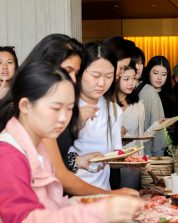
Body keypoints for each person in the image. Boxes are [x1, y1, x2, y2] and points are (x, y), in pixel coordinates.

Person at [0, 62, 141, 223]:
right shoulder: (7, 153)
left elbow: (48, 204)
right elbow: (23, 219)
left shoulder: (39, 144)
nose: (63, 118)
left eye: (69, 109)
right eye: (55, 108)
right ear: (25, 106)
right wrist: (99, 211)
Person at [20, 34, 137, 196]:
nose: (72, 80)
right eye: (68, 71)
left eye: (110, 76)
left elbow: (56, 163)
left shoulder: (112, 108)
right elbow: (56, 170)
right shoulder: (45, 108)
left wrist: (129, 161)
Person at [67, 41, 123, 190]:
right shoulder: (65, 106)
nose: (102, 83)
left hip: (102, 193)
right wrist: (77, 123)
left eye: (109, 76)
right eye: (95, 75)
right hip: (71, 194)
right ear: (79, 72)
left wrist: (134, 162)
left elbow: (115, 155)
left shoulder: (114, 110)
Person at [130, 46, 166, 156]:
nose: (138, 67)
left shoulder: (149, 92)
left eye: (141, 63)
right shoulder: (114, 92)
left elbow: (159, 127)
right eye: (135, 63)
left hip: (145, 156)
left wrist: (157, 158)